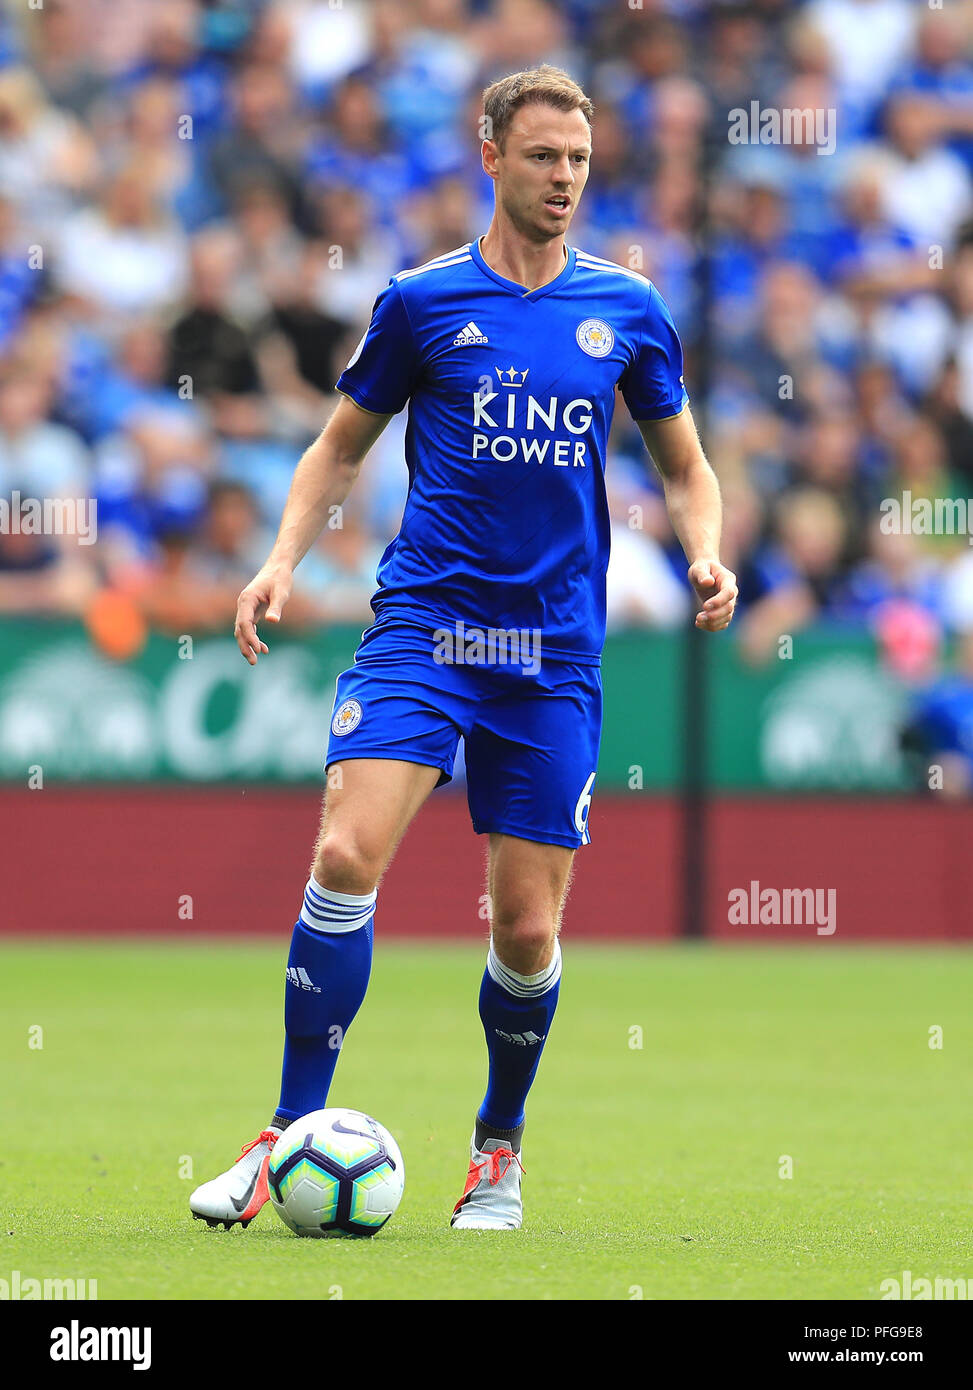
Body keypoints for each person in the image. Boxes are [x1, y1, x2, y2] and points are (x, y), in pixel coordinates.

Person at [189, 65, 737, 1233]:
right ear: (489, 155)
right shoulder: (422, 301)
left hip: (549, 658)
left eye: (580, 161)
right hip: (425, 629)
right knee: (344, 852)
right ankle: (283, 1131)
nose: (564, 179)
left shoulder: (627, 310)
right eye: (543, 157)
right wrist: (282, 559)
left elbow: (685, 466)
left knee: (526, 929)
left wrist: (705, 551)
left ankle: (497, 1151)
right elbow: (339, 450)